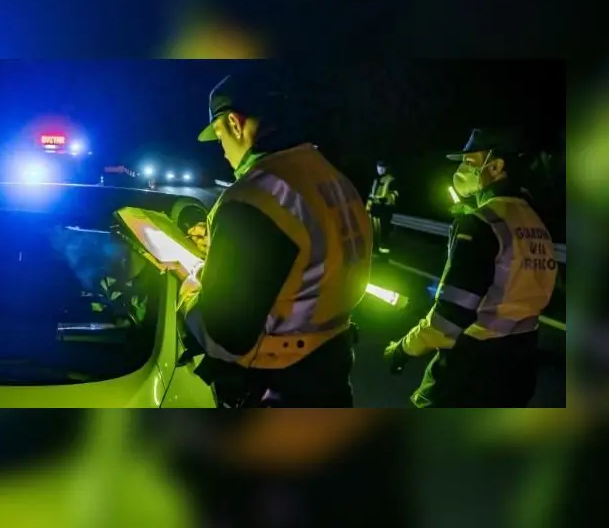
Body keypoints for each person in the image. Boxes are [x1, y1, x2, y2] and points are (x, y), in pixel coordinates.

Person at [178, 70, 373, 408]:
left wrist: (191, 285)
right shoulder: (331, 178)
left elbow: (224, 337)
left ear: (235, 124)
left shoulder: (253, 196)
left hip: (276, 385)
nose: (222, 151)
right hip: (331, 369)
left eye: (220, 137)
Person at [383, 128, 557, 407]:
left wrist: (403, 349)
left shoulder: (479, 223)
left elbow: (448, 319)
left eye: (469, 162)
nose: (461, 169)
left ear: (497, 166)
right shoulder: (534, 222)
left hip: (472, 372)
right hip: (520, 367)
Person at [366, 159, 398, 254]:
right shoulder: (375, 180)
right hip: (374, 209)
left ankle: (382, 246)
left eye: (382, 167)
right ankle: (374, 247)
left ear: (386, 168)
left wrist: (386, 200)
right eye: (379, 167)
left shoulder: (391, 179)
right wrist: (367, 208)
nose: (380, 169)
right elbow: (371, 195)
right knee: (374, 230)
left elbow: (394, 194)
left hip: (384, 209)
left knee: (383, 229)